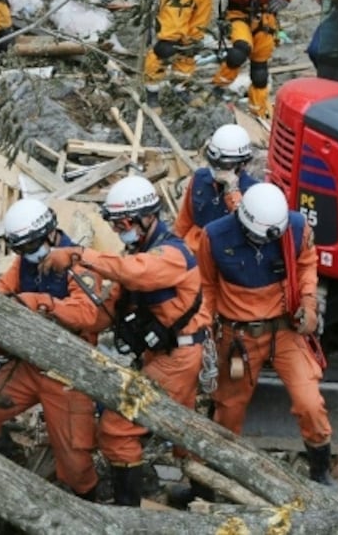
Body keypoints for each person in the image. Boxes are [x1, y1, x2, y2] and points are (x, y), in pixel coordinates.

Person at [41, 175, 212, 507]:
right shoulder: (138, 251)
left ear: (146, 217)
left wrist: (77, 255)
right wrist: (55, 309)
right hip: (164, 353)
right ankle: (202, 496)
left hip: (178, 356)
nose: (120, 232)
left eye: (123, 224)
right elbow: (107, 311)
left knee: (117, 428)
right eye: (116, 226)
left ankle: (127, 511)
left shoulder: (169, 254)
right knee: (182, 425)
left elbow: (135, 272)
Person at [0, 199, 112, 500]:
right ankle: (9, 463)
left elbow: (88, 314)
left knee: (75, 462)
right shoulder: (24, 262)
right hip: (28, 365)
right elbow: (3, 289)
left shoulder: (79, 263)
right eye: (20, 250)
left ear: (50, 234)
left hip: (68, 372)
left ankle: (92, 503)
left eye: (29, 248)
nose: (25, 255)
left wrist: (43, 303)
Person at [193, 183, 338, 488]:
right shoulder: (215, 237)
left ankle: (321, 475)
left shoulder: (296, 229)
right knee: (228, 410)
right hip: (238, 338)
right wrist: (205, 330)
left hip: (286, 330)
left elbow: (307, 265)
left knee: (309, 403)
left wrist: (309, 304)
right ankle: (214, 478)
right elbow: (206, 286)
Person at [173, 124, 258, 245]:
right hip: (194, 252)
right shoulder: (200, 179)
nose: (217, 170)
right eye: (213, 163)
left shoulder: (253, 193)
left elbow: (246, 232)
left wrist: (232, 190)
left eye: (224, 166)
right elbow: (183, 223)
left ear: (242, 164)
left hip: (224, 256)